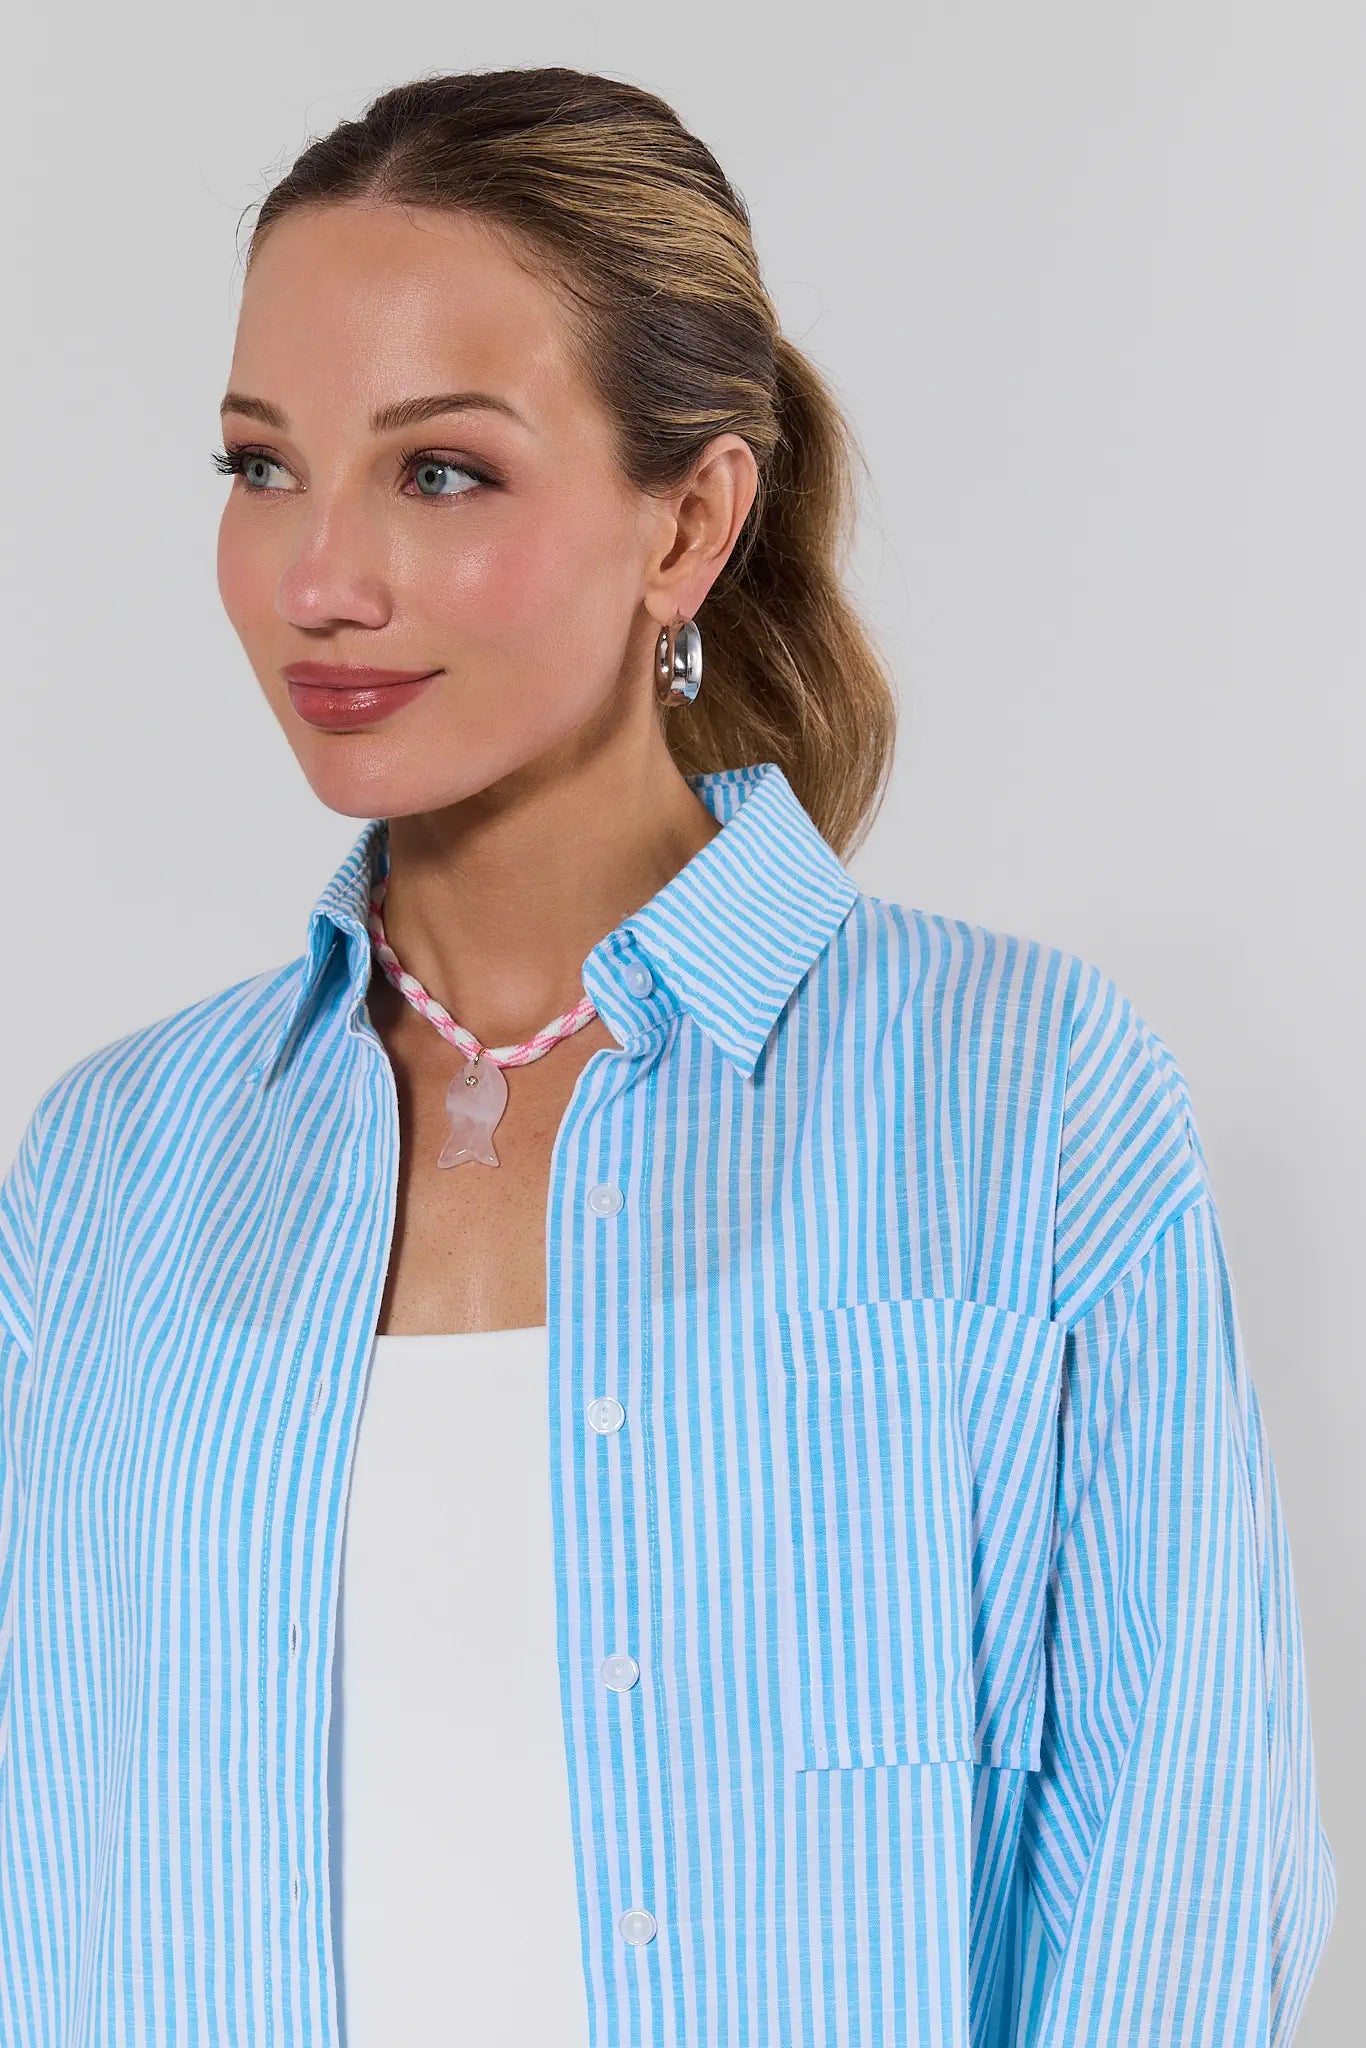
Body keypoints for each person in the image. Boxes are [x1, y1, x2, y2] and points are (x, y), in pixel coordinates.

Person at [0, 64, 1335, 2048]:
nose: (316, 577)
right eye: (261, 464)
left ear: (687, 519)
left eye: (438, 469)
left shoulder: (1021, 1102)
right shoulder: (108, 1168)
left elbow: (1186, 1869)